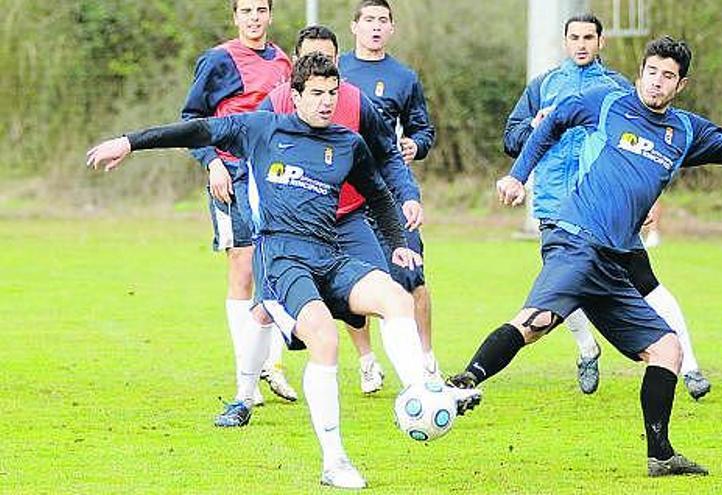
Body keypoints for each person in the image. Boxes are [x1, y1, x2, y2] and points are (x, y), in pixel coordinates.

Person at [87, 53, 481, 489]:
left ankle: (420, 392)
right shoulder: (260, 128)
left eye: (332, 93)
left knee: (396, 297)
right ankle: (334, 462)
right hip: (280, 257)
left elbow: (380, 196)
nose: (327, 101)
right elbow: (195, 129)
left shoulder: (348, 143)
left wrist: (399, 246)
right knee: (324, 339)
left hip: (328, 254)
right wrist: (129, 142)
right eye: (317, 94)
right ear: (294, 96)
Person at [450, 36, 722, 477]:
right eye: (653, 72)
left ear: (681, 85)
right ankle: (463, 383)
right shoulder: (608, 102)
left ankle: (660, 455)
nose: (658, 83)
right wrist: (517, 175)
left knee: (667, 349)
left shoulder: (686, 131)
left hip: (614, 259)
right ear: (641, 72)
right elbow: (554, 121)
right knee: (538, 321)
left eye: (669, 77)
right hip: (576, 237)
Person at [503, 13, 711, 400]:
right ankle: (587, 349)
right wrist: (534, 125)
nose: (581, 44)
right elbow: (512, 137)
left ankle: (691, 365)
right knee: (563, 291)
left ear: (602, 43)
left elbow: (651, 154)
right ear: (565, 42)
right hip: (555, 204)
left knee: (647, 283)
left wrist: (651, 198)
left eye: (589, 37)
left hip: (609, 212)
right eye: (574, 37)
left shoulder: (619, 88)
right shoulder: (543, 85)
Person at [260, 25, 430, 395]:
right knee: (266, 303)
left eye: (327, 58)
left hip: (350, 216)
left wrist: (409, 196)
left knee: (386, 289)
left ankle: (415, 381)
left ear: (338, 61)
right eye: (309, 58)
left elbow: (386, 158)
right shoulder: (274, 106)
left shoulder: (354, 103)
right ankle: (250, 387)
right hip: (292, 232)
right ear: (297, 67)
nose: (325, 97)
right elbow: (244, 156)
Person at [179, 0, 296, 405]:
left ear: (270, 13)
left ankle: (271, 365)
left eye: (261, 9)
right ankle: (245, 370)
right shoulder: (218, 60)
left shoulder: (283, 61)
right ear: (235, 16)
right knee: (243, 267)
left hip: (272, 179)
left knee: (274, 265)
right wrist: (211, 162)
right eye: (246, 10)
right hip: (230, 175)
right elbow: (192, 118)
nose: (254, 17)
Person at [338, 0, 438, 392]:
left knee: (413, 276)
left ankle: (427, 359)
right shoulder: (339, 71)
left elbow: (423, 130)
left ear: (392, 29)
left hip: (391, 191)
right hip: (346, 192)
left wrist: (415, 144)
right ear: (354, 27)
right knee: (352, 281)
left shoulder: (403, 77)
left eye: (383, 21)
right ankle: (367, 361)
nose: (376, 27)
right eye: (369, 20)